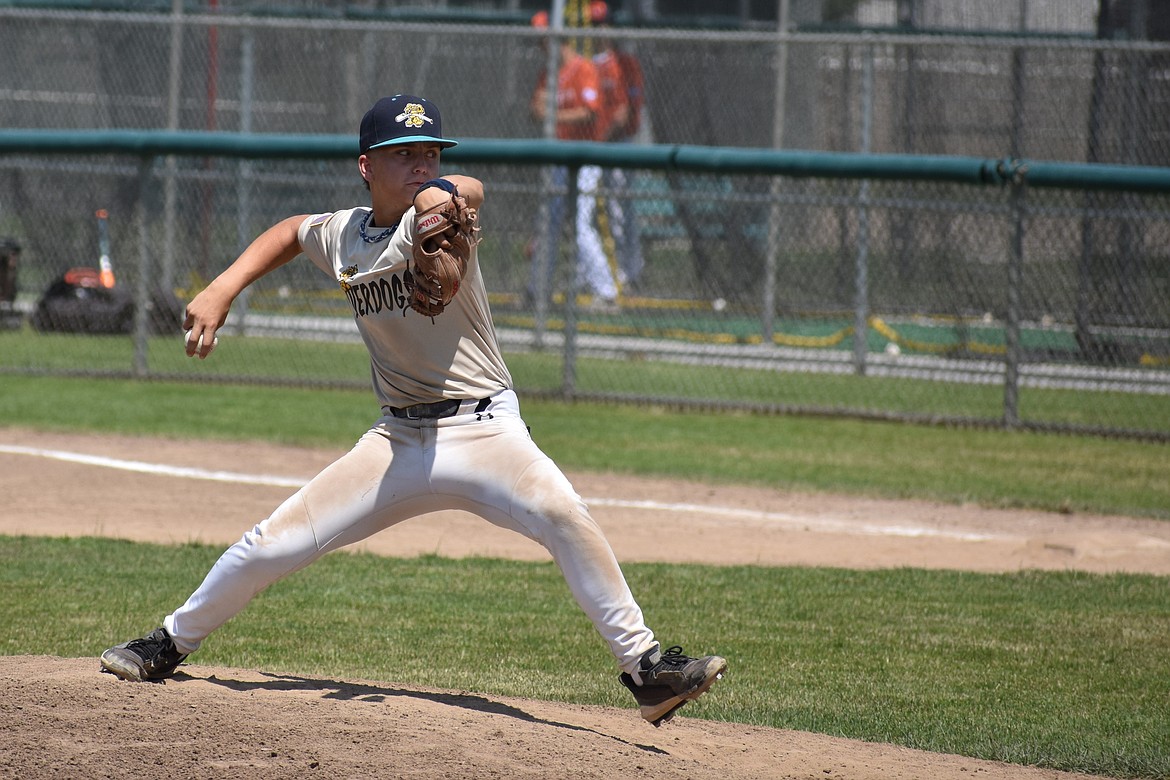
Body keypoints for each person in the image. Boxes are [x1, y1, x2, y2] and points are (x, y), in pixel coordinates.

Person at [98, 93, 727, 727]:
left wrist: (437, 201)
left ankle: (646, 669)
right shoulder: (345, 234)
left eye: (429, 153)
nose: (421, 164)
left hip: (486, 430)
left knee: (563, 511)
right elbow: (291, 231)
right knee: (271, 545)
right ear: (367, 164)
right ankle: (168, 643)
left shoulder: (446, 214)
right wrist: (220, 288)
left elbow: (467, 188)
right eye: (404, 155)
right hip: (395, 439)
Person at [527, 9, 620, 312]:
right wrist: (546, 112)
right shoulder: (549, 73)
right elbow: (535, 108)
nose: (541, 44)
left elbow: (590, 112)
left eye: (545, 38)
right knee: (548, 224)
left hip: (585, 156)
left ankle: (606, 292)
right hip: (558, 158)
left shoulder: (583, 69)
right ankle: (536, 289)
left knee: (580, 224)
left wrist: (552, 114)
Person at [591, 0, 647, 293]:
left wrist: (600, 137)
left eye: (603, 25)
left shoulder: (623, 63)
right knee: (593, 211)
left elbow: (625, 114)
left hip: (617, 144)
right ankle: (603, 271)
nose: (600, 31)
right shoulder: (590, 64)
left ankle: (628, 269)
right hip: (596, 146)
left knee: (621, 208)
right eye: (594, 26)